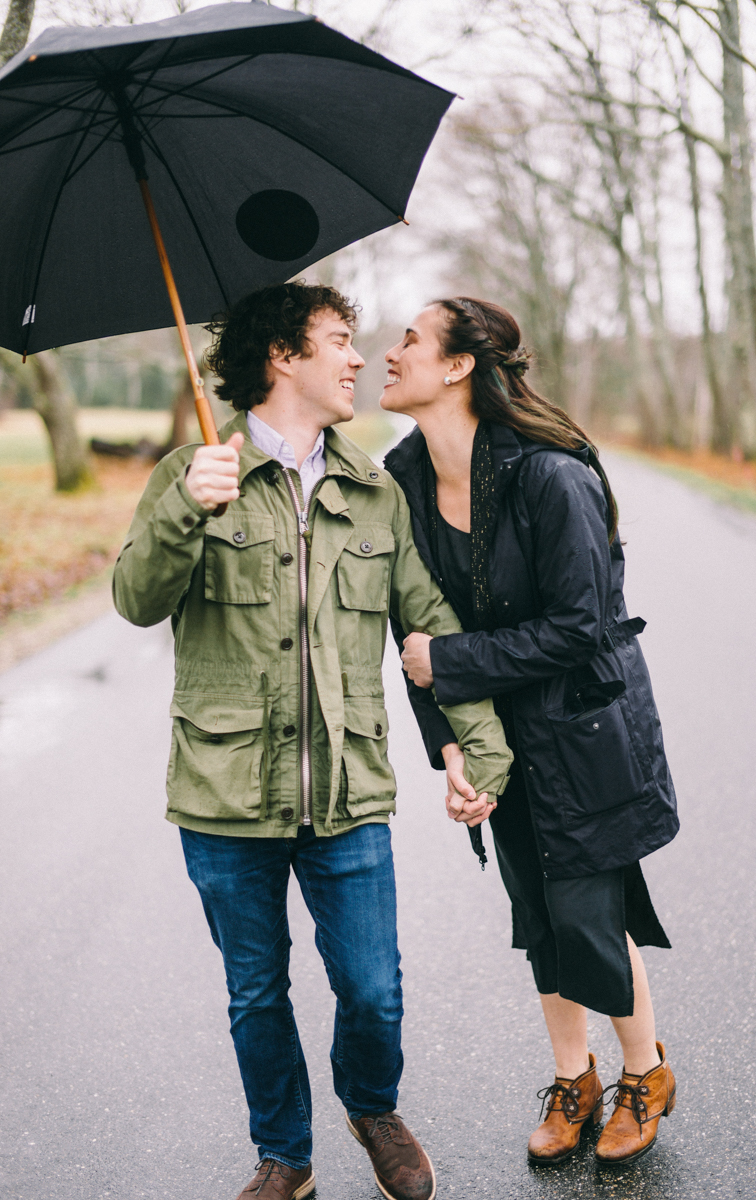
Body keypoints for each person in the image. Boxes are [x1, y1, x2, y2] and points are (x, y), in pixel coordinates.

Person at [112, 282, 512, 1200]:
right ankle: (284, 1157)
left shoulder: (374, 492)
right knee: (257, 996)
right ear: (284, 355)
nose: (359, 357)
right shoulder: (193, 473)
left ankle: (373, 1108)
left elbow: (430, 623)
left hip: (348, 793)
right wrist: (187, 509)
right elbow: (136, 600)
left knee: (372, 990)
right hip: (223, 796)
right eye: (339, 339)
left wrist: (474, 751)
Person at [380, 296, 679, 1168]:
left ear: (459, 365)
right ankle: (573, 1080)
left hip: (583, 729)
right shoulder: (401, 481)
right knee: (539, 915)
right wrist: (450, 748)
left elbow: (580, 627)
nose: (390, 354)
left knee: (590, 911)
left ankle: (643, 1074)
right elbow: (414, 633)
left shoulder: (552, 475)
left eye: (409, 340)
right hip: (498, 737)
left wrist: (455, 667)